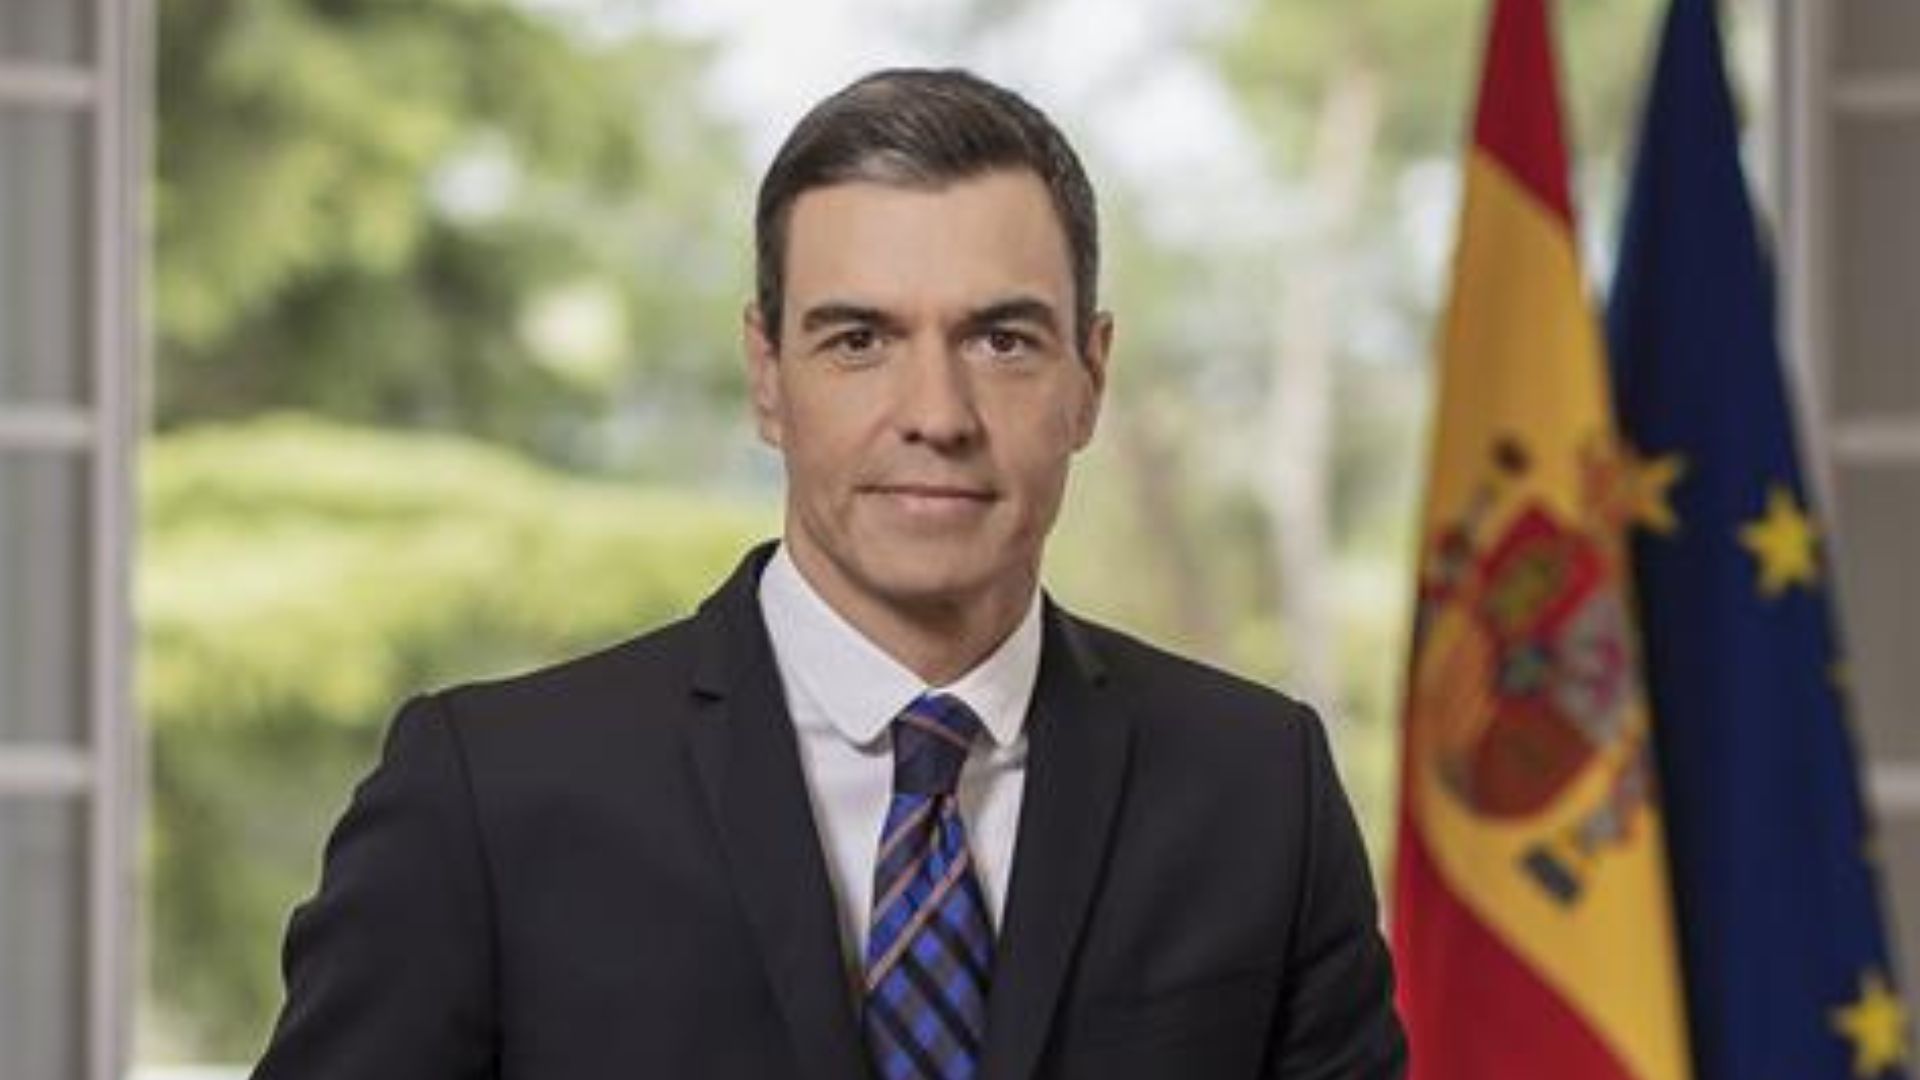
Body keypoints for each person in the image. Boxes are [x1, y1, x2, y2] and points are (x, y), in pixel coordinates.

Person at [252, 67, 1405, 1079]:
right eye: (860, 340)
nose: (936, 415)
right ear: (767, 376)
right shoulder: (488, 801)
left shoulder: (1262, 794)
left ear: (1089, 378)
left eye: (1002, 340)